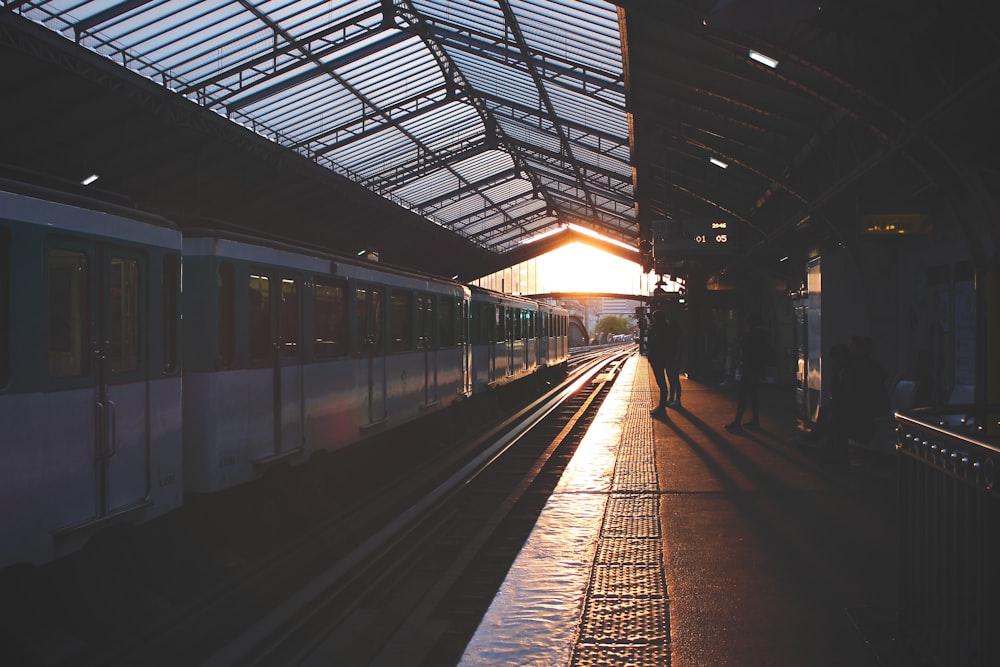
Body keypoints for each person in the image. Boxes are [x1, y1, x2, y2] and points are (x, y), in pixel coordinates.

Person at [726, 313, 770, 431]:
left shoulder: (749, 336)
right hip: (756, 369)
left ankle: (738, 421)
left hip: (748, 368)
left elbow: (743, 351)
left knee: (743, 395)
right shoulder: (762, 336)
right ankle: (755, 420)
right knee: (753, 395)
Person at [647, 310, 679, 418]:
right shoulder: (666, 328)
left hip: (659, 359)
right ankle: (662, 406)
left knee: (662, 384)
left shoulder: (659, 330)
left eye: (653, 318)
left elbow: (654, 343)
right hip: (664, 359)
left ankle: (662, 408)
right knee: (665, 383)